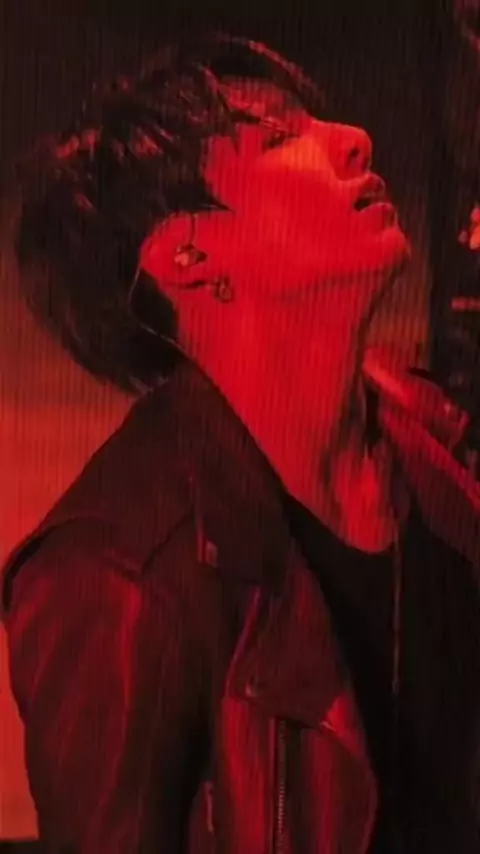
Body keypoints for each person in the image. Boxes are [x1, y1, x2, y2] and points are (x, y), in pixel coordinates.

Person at [1, 33, 480, 854]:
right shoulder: (117, 575)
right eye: (280, 138)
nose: (354, 139)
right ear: (187, 254)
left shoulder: (426, 443)